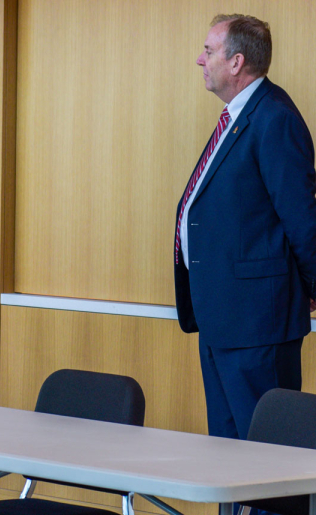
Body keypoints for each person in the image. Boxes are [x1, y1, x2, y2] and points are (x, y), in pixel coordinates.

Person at [174, 14, 316, 442]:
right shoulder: (239, 116)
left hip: (258, 326)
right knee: (229, 452)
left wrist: (312, 290)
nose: (200, 60)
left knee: (265, 458)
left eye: (209, 51)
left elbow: (303, 219)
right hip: (224, 318)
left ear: (237, 63)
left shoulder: (274, 118)